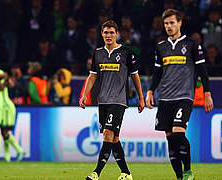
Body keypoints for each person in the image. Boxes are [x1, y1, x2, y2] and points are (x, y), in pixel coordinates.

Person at [145, 9, 214, 180]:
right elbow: (157, 73)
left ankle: (188, 170)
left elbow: (202, 71)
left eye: (172, 23)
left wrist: (207, 93)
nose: (169, 26)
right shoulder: (161, 47)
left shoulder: (192, 44)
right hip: (165, 98)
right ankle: (179, 176)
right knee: (170, 139)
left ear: (180, 23)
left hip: (184, 97)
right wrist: (150, 91)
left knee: (178, 133)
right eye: (166, 23)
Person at [79, 20, 145, 180]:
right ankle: (126, 173)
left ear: (117, 34)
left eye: (111, 32)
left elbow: (134, 75)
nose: (108, 35)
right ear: (102, 34)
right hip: (103, 101)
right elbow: (92, 76)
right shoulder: (98, 53)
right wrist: (84, 95)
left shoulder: (126, 52)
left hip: (119, 100)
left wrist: (141, 97)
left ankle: (96, 173)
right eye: (105, 32)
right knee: (114, 138)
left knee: (108, 134)